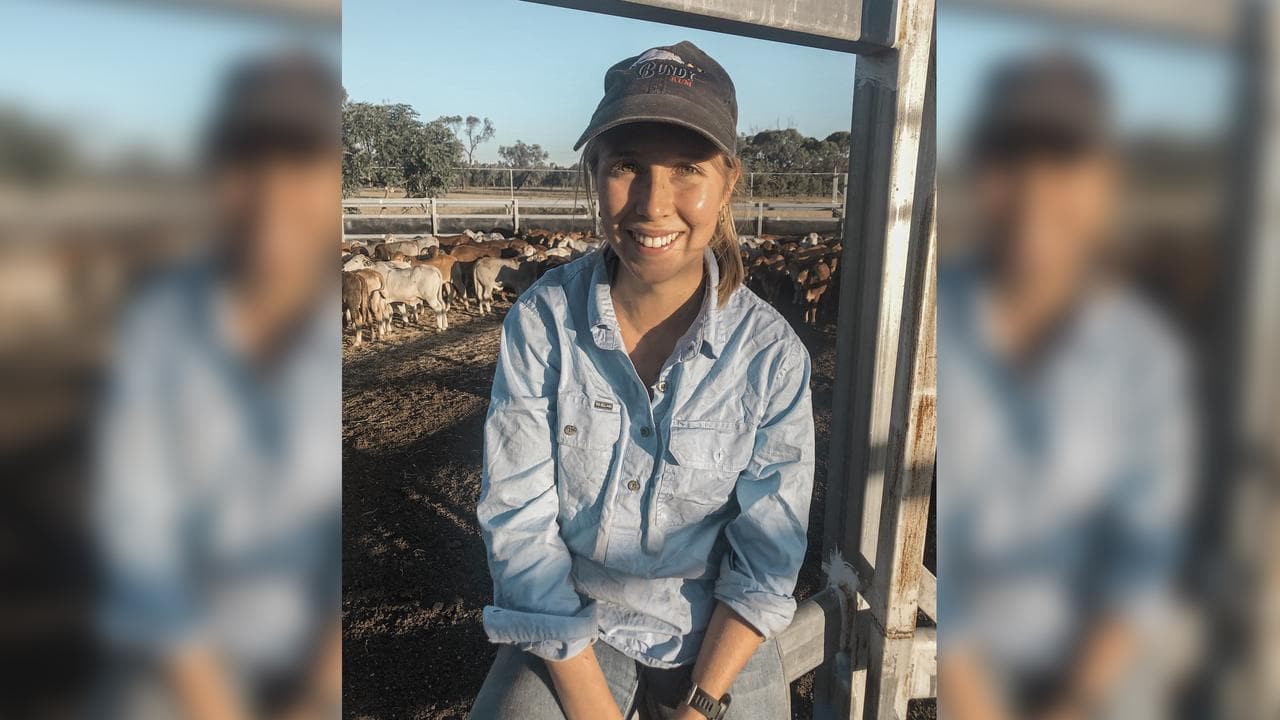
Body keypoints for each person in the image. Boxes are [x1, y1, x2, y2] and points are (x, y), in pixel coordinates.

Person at [471, 41, 815, 720]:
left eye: (688, 168)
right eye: (627, 165)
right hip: (575, 624)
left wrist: (699, 707)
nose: (654, 204)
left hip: (715, 638)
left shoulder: (771, 355)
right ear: (594, 174)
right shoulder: (544, 323)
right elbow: (519, 526)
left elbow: (765, 557)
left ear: (728, 183)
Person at [937, 53, 1196, 720]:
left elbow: (1144, 549)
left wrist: (1079, 698)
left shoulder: (1144, 353)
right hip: (959, 667)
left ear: (1105, 185)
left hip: (1100, 673)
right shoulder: (933, 329)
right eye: (1009, 162)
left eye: (1064, 164)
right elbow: (935, 540)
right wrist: (972, 697)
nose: (1034, 191)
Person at [91, 53, 342, 720]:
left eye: (301, 165)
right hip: (176, 662)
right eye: (244, 164)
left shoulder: (332, 336)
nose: (271, 194)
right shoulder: (161, 322)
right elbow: (135, 526)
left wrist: (317, 687)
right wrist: (209, 698)